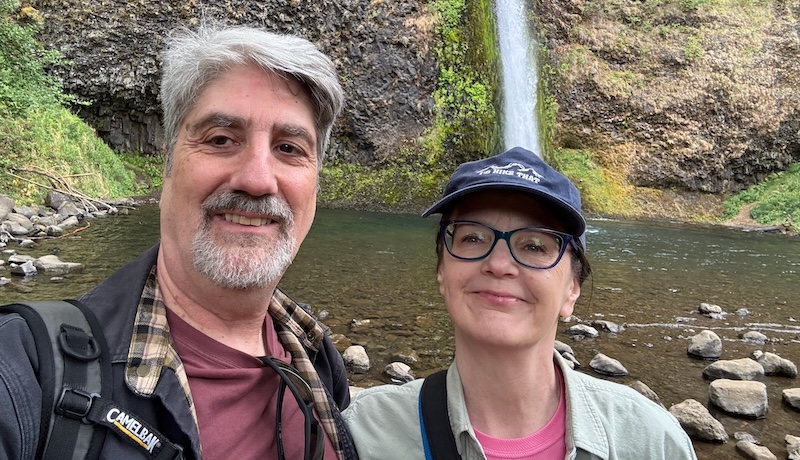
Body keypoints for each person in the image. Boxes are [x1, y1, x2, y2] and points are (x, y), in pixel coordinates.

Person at [0, 21, 358, 460]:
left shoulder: (317, 357)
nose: (258, 179)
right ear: (168, 163)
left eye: (289, 148)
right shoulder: (26, 369)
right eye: (221, 139)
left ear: (315, 184)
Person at [342, 147, 697, 459]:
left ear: (572, 289)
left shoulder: (652, 441)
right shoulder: (365, 434)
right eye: (473, 238)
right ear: (442, 272)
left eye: (534, 246)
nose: (499, 264)